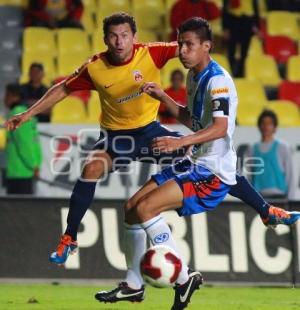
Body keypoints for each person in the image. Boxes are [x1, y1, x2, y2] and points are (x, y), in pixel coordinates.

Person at [5, 12, 300, 300]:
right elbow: (63, 89)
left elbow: (218, 125)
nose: (120, 42)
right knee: (113, 189)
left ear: (135, 37)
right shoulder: (101, 67)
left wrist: (180, 139)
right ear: (105, 40)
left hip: (155, 136)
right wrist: (29, 114)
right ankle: (81, 246)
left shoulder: (184, 65)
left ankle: (190, 269)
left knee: (173, 183)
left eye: (125, 36)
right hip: (116, 137)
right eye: (113, 37)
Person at [94, 17, 300, 307]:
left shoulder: (217, 80)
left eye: (189, 45)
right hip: (195, 161)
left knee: (145, 208)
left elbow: (219, 127)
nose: (182, 50)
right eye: (180, 44)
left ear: (207, 46)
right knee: (130, 208)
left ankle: (183, 276)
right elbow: (193, 121)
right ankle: (134, 285)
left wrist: (178, 142)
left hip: (209, 170)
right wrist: (163, 96)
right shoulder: (194, 77)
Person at [4, 83, 42, 195]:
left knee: (17, 210)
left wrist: (33, 165)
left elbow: (24, 143)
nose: (4, 98)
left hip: (19, 171)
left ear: (12, 96)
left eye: (6, 95)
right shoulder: (26, 114)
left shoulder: (17, 115)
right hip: (24, 170)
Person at [250, 110, 296, 200]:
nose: (266, 126)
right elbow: (250, 176)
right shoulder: (252, 149)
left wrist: (290, 200)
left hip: (279, 197)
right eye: (263, 123)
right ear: (259, 126)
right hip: (259, 198)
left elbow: (290, 175)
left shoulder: (283, 147)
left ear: (275, 127)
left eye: (269, 123)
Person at [222, 0, 260, 77]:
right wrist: (225, 28)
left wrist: (256, 25)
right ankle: (230, 73)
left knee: (244, 53)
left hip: (247, 21)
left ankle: (241, 74)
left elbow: (255, 7)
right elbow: (225, 9)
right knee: (231, 51)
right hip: (234, 20)